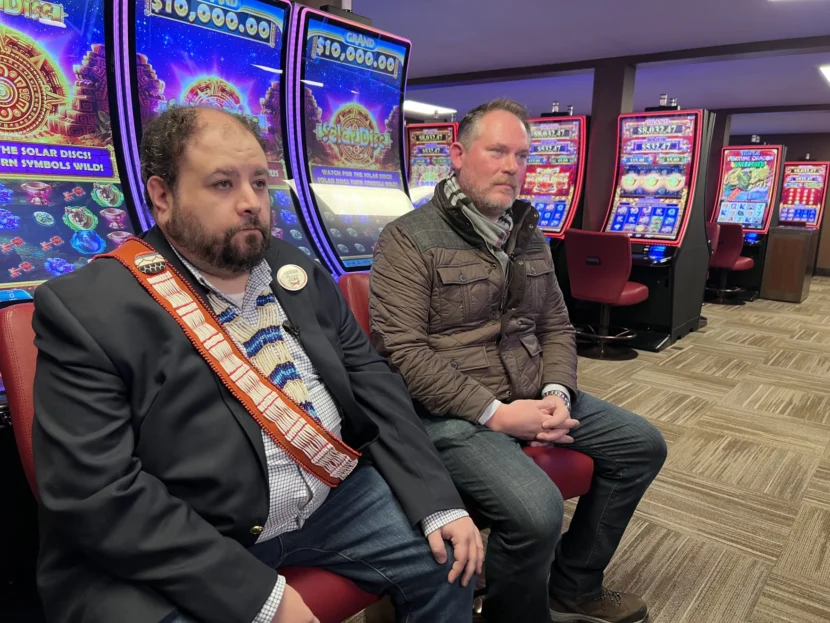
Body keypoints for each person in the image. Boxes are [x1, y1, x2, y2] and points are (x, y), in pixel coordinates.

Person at [31, 106, 482, 623]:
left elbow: (374, 383)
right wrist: (257, 596)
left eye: (260, 183)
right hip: (190, 537)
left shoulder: (294, 267)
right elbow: (96, 492)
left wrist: (438, 501)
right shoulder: (88, 308)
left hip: (332, 504)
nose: (251, 203)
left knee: (451, 562)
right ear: (161, 196)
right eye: (223, 184)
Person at [369, 98, 667, 623]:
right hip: (449, 411)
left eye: (523, 156)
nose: (512, 167)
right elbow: (403, 353)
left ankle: (574, 584)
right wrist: (498, 414)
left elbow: (555, 325)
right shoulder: (407, 238)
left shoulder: (528, 233)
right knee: (536, 511)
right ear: (458, 155)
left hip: (531, 389)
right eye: (497, 151)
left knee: (642, 445)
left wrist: (556, 393)